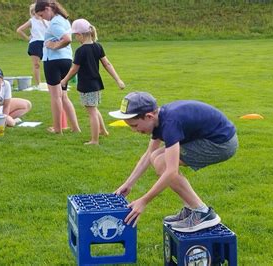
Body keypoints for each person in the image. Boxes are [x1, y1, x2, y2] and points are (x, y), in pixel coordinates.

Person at [109, 92, 238, 233]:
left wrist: (144, 201)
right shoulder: (159, 119)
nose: (134, 130)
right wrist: (128, 184)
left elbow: (171, 171)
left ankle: (202, 213)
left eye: (135, 125)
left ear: (149, 116)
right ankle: (192, 209)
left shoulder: (170, 123)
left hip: (222, 144)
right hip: (211, 138)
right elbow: (148, 155)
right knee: (155, 156)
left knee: (163, 163)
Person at [60, 19, 125, 145]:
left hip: (87, 85)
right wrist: (118, 80)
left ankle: (94, 140)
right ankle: (103, 131)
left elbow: (74, 69)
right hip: (96, 84)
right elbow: (107, 64)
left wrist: (64, 80)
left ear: (80, 35)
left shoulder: (81, 51)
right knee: (94, 109)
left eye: (75, 35)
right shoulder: (98, 46)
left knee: (92, 112)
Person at [35, 1, 81, 134]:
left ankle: (57, 129)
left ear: (48, 9)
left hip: (53, 61)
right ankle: (75, 127)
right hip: (66, 59)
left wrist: (54, 46)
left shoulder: (55, 22)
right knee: (64, 96)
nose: (42, 18)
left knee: (55, 97)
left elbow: (67, 39)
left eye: (42, 14)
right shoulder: (65, 20)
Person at [16, 3, 49, 90]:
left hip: (45, 43)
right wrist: (28, 38)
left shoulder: (46, 21)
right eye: (34, 11)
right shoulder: (31, 21)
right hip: (35, 43)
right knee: (36, 65)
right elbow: (19, 30)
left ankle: (50, 82)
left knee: (48, 63)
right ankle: (38, 83)